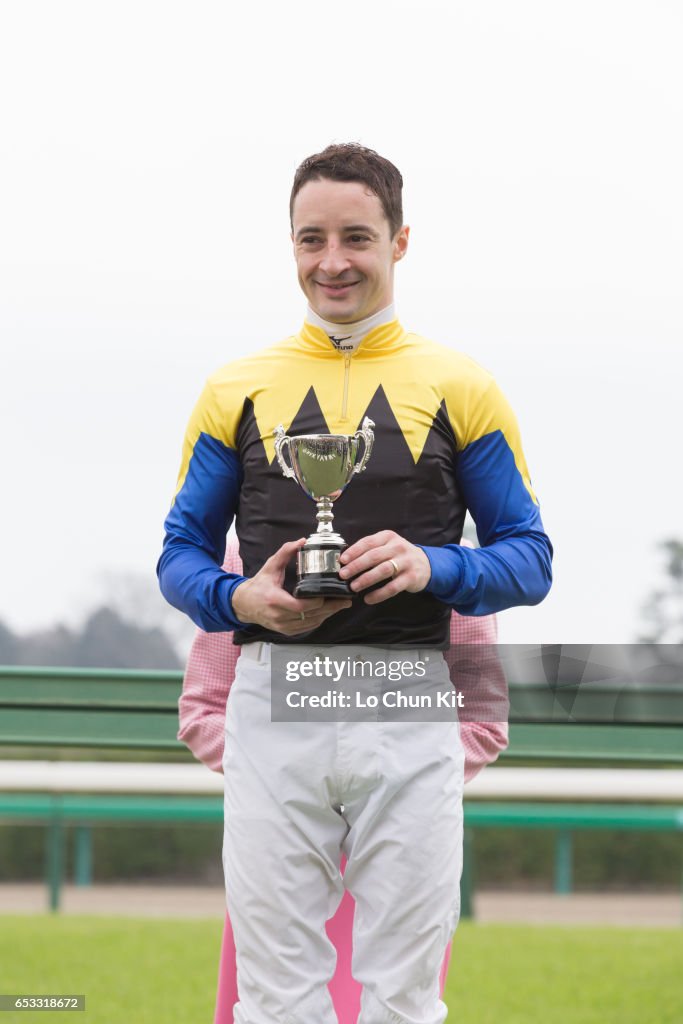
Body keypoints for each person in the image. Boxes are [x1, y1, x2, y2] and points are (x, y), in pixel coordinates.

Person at [158, 143, 552, 1024]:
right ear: (290, 246)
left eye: (355, 238)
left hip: (406, 701)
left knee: (403, 998)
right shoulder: (234, 388)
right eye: (310, 240)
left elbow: (528, 557)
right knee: (274, 995)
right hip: (272, 699)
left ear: (399, 242)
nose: (331, 261)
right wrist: (237, 602)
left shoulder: (462, 385)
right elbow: (179, 555)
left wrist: (433, 566)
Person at [179, 541, 509, 1024]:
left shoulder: (442, 564)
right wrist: (282, 779)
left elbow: (481, 719)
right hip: (283, 848)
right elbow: (203, 709)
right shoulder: (244, 559)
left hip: (398, 845)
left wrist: (391, 782)